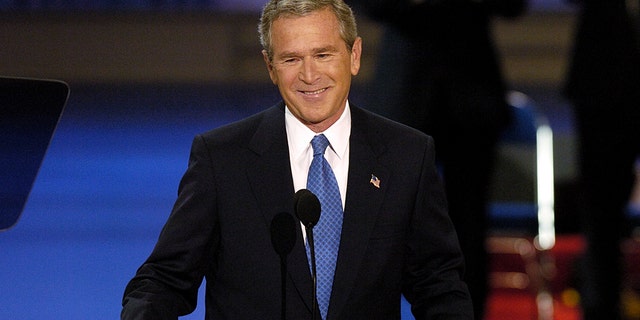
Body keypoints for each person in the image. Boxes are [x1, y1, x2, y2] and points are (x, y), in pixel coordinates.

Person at [121, 0, 473, 319]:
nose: (309, 76)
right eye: (291, 59)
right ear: (270, 66)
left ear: (354, 55)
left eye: (323, 55)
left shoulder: (406, 155)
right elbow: (163, 281)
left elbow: (439, 287)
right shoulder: (222, 159)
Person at [347, 1, 526, 318]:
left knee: (469, 229)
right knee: (382, 225)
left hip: (471, 97)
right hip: (403, 95)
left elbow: (514, 6)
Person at [563, 0, 640, 319]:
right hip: (604, 87)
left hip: (608, 85)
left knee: (602, 210)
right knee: (600, 211)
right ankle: (601, 304)